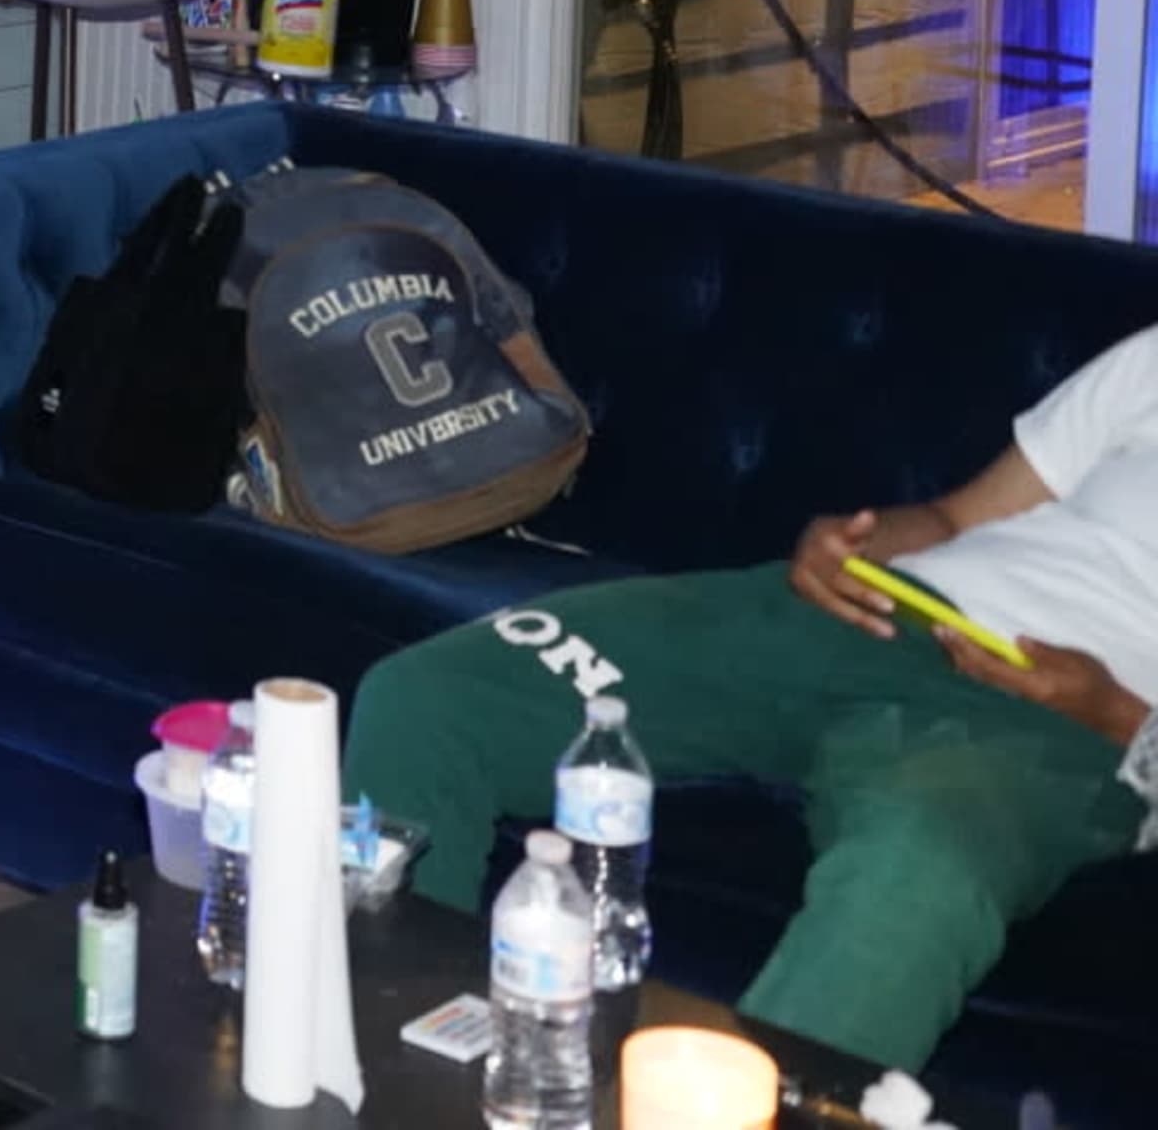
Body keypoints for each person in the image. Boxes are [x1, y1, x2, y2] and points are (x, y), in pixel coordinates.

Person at [343, 321, 1158, 1078]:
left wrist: (1117, 713)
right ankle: (393, 1082)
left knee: (913, 882)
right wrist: (852, 547)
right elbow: (954, 516)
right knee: (433, 699)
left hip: (1059, 725)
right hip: (863, 616)